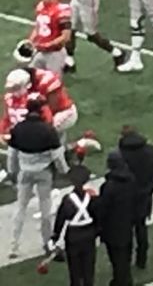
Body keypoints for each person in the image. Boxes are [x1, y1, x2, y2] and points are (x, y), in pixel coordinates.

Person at [9, 99, 69, 258]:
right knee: (45, 210)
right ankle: (47, 243)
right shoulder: (48, 130)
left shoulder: (18, 129)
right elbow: (57, 156)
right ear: (41, 110)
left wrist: (12, 172)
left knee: (20, 207)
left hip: (24, 171)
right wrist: (65, 170)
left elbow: (12, 154)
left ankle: (14, 246)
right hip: (44, 172)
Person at [117, 126, 153, 271]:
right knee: (141, 228)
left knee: (126, 232)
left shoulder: (120, 155)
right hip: (144, 197)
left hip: (126, 199)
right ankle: (142, 260)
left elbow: (117, 176)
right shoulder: (152, 151)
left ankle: (126, 261)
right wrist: (149, 190)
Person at [96, 150, 137, 286]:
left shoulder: (108, 187)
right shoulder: (131, 180)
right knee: (125, 256)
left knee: (117, 259)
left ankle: (120, 282)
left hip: (112, 229)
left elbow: (103, 209)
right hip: (127, 224)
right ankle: (126, 280)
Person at [53, 164, 99, 286]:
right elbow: (98, 216)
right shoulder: (92, 198)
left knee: (74, 269)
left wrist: (56, 237)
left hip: (73, 237)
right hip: (89, 235)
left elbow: (60, 220)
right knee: (89, 267)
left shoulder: (67, 200)